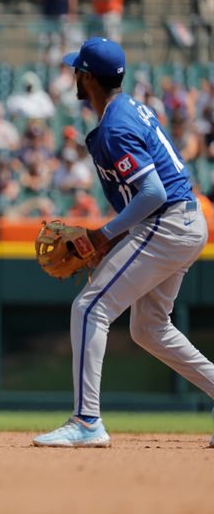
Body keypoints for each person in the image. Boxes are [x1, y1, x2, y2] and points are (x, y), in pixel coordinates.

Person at [33, 38, 214, 448]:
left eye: (76, 70)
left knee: (89, 307)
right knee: (149, 328)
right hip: (183, 222)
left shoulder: (115, 125)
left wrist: (102, 235)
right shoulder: (129, 108)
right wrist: (112, 240)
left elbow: (152, 193)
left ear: (87, 78)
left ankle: (86, 421)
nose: (73, 76)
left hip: (168, 221)